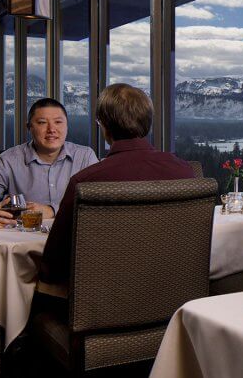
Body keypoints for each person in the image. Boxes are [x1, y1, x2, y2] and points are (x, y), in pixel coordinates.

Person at [37, 84, 194, 284]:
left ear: (104, 126)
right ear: (148, 123)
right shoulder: (184, 171)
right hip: (174, 293)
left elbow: (54, 266)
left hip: (101, 303)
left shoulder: (86, 182)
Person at [0, 98, 98, 228]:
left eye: (58, 122)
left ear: (67, 126)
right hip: (21, 241)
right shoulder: (6, 161)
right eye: (42, 122)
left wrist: (52, 210)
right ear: (29, 127)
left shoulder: (85, 157)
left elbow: (98, 202)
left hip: (75, 239)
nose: (52, 129)